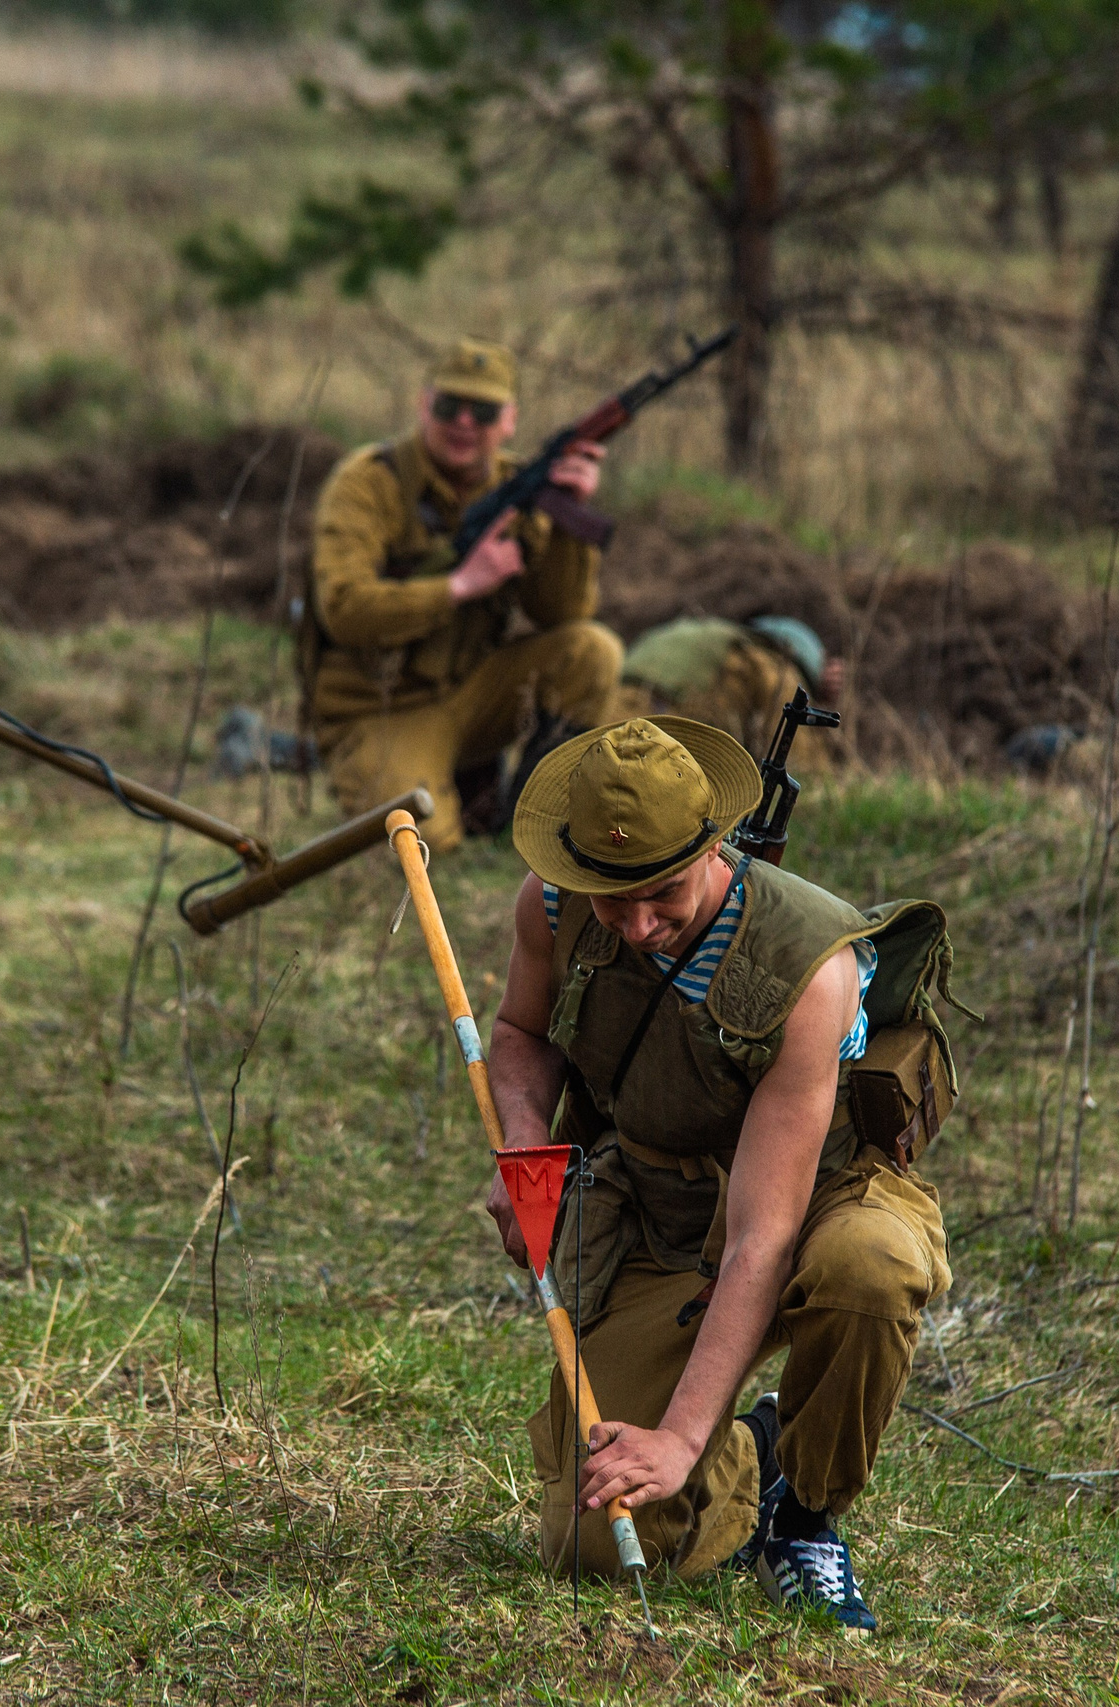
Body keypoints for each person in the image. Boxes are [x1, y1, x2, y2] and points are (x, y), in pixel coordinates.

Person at [485, 717, 955, 1631]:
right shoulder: (551, 903)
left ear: (715, 845)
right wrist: (522, 1147)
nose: (639, 925)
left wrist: (679, 1435)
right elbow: (519, 1034)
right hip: (662, 1208)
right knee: (597, 1544)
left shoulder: (812, 970)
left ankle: (804, 1510)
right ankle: (758, 1449)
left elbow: (764, 1234)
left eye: (662, 893)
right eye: (613, 901)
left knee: (872, 1269)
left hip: (809, 1198)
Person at [305, 337, 623, 849]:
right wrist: (459, 586)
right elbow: (344, 610)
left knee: (592, 651)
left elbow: (561, 612)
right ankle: (449, 795)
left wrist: (568, 517)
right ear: (423, 404)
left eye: (485, 410)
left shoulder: (520, 486)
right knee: (423, 845)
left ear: (511, 420)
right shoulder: (368, 485)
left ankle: (538, 827)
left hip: (472, 690)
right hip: (381, 707)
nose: (465, 424)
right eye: (450, 406)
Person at [617, 614, 845, 763]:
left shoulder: (712, 637)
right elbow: (801, 765)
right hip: (651, 742)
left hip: (607, 720)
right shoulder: (774, 666)